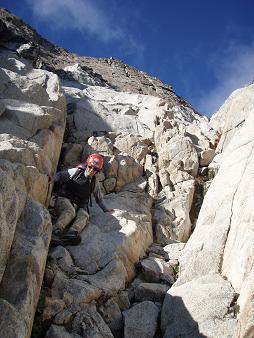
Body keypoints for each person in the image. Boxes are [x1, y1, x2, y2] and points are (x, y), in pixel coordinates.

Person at [48, 153, 114, 244]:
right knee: (70, 211)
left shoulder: (95, 183)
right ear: (87, 165)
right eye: (90, 167)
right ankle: (55, 231)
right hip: (63, 200)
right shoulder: (76, 172)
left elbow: (99, 199)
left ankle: (71, 234)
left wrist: (106, 210)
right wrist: (52, 178)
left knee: (84, 215)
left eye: (95, 169)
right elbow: (60, 175)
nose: (92, 170)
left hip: (78, 206)